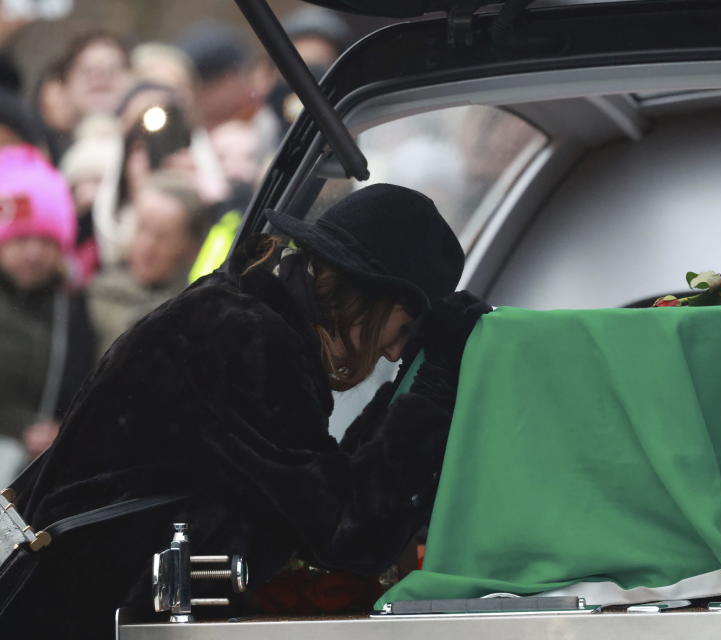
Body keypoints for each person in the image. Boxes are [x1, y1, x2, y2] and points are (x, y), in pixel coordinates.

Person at [2, 183, 490, 637]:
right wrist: (433, 386)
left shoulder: (241, 310)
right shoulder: (248, 340)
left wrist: (404, 396)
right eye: (403, 331)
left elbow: (324, 489)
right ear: (375, 296)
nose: (391, 354)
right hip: (80, 616)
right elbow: (351, 532)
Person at [0, 144, 94, 486]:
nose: (34, 253)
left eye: (47, 241)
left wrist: (60, 429)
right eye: (22, 239)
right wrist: (17, 425)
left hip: (35, 470)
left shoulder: (72, 305)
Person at [87, 170, 211, 355]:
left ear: (192, 248)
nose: (147, 247)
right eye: (142, 228)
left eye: (163, 237)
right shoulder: (92, 297)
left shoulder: (198, 316)